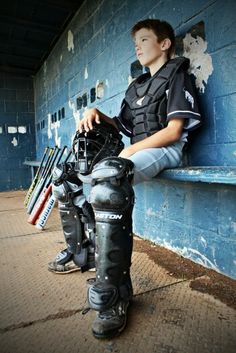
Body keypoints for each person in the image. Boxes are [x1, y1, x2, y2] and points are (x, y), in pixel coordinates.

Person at [49, 19, 201, 339]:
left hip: (167, 150)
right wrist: (95, 113)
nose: (138, 45)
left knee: (109, 181)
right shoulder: (136, 87)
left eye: (144, 40)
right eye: (136, 41)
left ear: (164, 44)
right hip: (134, 153)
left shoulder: (177, 75)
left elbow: (174, 131)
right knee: (65, 178)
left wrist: (130, 150)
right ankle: (84, 252)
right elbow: (121, 124)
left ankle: (113, 293)